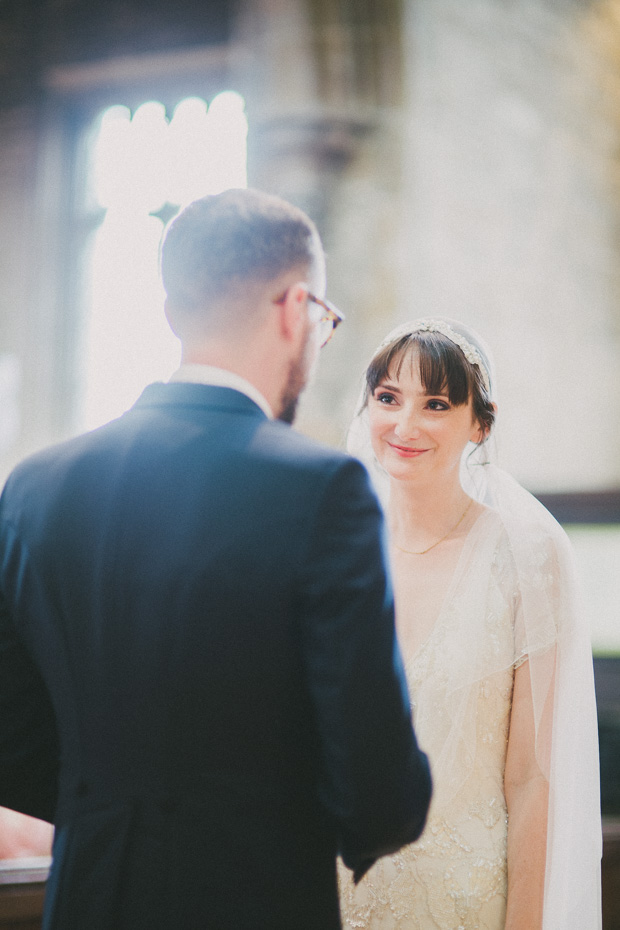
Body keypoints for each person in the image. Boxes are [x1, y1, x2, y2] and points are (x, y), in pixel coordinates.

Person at [0, 189, 432, 930]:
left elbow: (10, 731)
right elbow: (378, 785)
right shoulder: (322, 489)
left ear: (174, 315)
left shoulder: (35, 486)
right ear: (297, 308)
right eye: (323, 322)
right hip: (255, 898)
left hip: (88, 897)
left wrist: (102, 807)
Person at [339, 318, 602, 930]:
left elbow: (531, 780)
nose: (404, 426)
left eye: (435, 404)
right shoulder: (337, 549)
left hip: (463, 903)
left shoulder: (526, 555)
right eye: (387, 398)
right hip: (339, 891)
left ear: (479, 424)